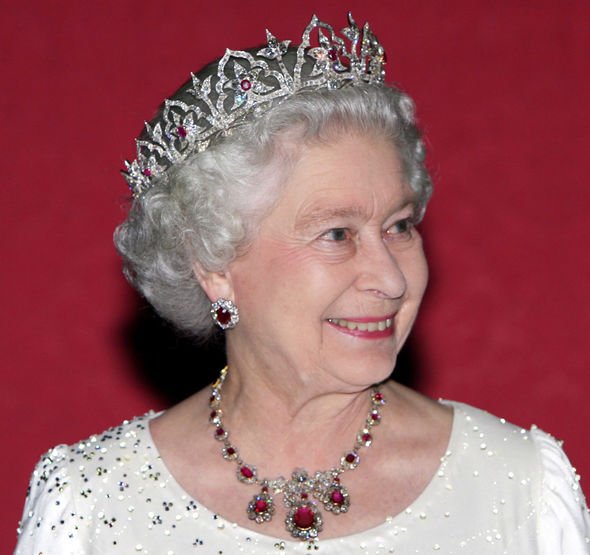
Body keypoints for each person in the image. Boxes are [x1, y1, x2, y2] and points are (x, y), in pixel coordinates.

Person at [14, 13, 590, 555]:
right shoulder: (91, 505)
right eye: (337, 234)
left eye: (400, 226)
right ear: (214, 265)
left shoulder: (520, 486)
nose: (391, 279)